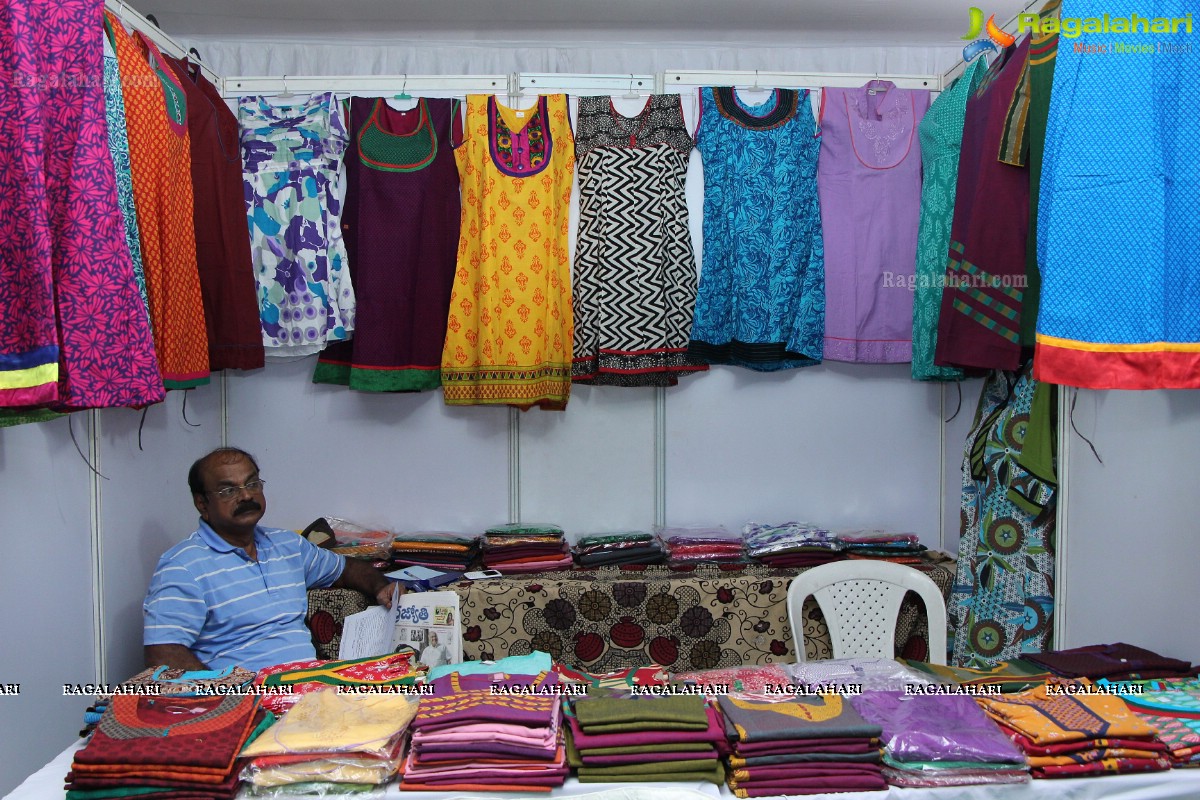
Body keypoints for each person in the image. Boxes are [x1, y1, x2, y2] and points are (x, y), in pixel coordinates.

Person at [143, 447, 398, 672]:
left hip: (308, 690)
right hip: (245, 703)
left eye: (252, 484)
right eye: (228, 490)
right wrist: (228, 698)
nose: (245, 496)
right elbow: (163, 654)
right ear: (202, 503)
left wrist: (380, 586)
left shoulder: (288, 546)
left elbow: (345, 569)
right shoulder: (183, 566)